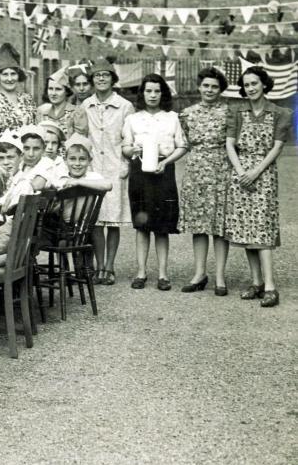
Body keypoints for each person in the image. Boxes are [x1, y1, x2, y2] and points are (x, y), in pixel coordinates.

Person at [225, 66, 292, 307]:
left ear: (264, 84)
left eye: (254, 83)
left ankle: (271, 287)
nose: (251, 88)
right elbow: (230, 144)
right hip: (240, 174)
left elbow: (277, 147)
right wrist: (241, 172)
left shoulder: (280, 113)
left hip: (264, 174)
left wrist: (256, 172)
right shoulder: (237, 111)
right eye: (247, 85)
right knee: (246, 228)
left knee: (262, 228)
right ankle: (256, 282)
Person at [122, 74, 187, 291]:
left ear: (163, 94)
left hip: (163, 171)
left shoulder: (172, 118)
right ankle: (141, 272)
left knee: (161, 226)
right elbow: (125, 147)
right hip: (140, 171)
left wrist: (165, 162)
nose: (152, 95)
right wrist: (132, 149)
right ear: (142, 94)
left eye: (157, 91)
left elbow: (182, 146)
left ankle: (163, 274)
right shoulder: (133, 119)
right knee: (142, 225)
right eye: (148, 91)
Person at [81, 59, 134, 286]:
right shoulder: (86, 105)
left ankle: (109, 267)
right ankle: (99, 265)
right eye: (97, 75)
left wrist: (126, 164)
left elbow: (129, 139)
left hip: (115, 167)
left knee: (113, 221)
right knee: (95, 220)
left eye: (106, 75)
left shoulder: (124, 106)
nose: (101, 79)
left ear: (113, 79)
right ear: (92, 80)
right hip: (93, 168)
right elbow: (82, 136)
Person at [178, 67, 231, 295]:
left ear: (220, 90)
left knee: (219, 226)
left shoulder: (229, 113)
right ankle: (199, 274)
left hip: (221, 172)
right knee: (198, 226)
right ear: (199, 87)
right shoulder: (187, 114)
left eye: (214, 87)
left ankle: (220, 276)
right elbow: (183, 143)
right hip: (195, 173)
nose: (209, 90)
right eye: (206, 85)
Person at [0, 42, 36, 136]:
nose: (9, 79)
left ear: (18, 75)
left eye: (13, 74)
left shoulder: (27, 100)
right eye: (5, 74)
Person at [1, 125, 54, 211]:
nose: (31, 154)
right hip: (11, 207)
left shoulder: (46, 163)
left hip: (29, 212)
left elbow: (37, 185)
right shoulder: (20, 163)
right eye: (26, 148)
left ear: (43, 149)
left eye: (36, 149)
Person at [36, 66, 89, 139]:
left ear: (66, 92)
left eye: (58, 89)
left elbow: (80, 141)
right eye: (50, 89)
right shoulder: (42, 112)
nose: (53, 93)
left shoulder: (77, 112)